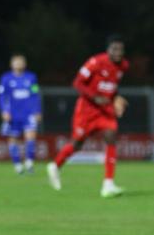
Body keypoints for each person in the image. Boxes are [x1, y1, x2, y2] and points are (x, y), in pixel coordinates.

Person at [47, 35, 129, 197]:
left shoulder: (124, 66)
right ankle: (55, 166)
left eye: (121, 49)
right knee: (77, 143)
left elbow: (111, 87)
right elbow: (77, 83)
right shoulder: (95, 62)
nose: (118, 53)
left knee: (111, 136)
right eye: (115, 49)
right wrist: (95, 97)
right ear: (108, 50)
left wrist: (117, 98)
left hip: (104, 111)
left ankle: (108, 184)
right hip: (86, 110)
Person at [0, 54, 41, 174]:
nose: (19, 64)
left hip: (28, 114)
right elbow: (2, 97)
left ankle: (29, 163)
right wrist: (4, 111)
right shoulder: (5, 79)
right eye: (16, 62)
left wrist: (37, 111)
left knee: (31, 137)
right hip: (13, 115)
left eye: (21, 62)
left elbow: (35, 94)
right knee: (12, 139)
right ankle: (17, 164)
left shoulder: (31, 77)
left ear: (24, 64)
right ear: (11, 64)